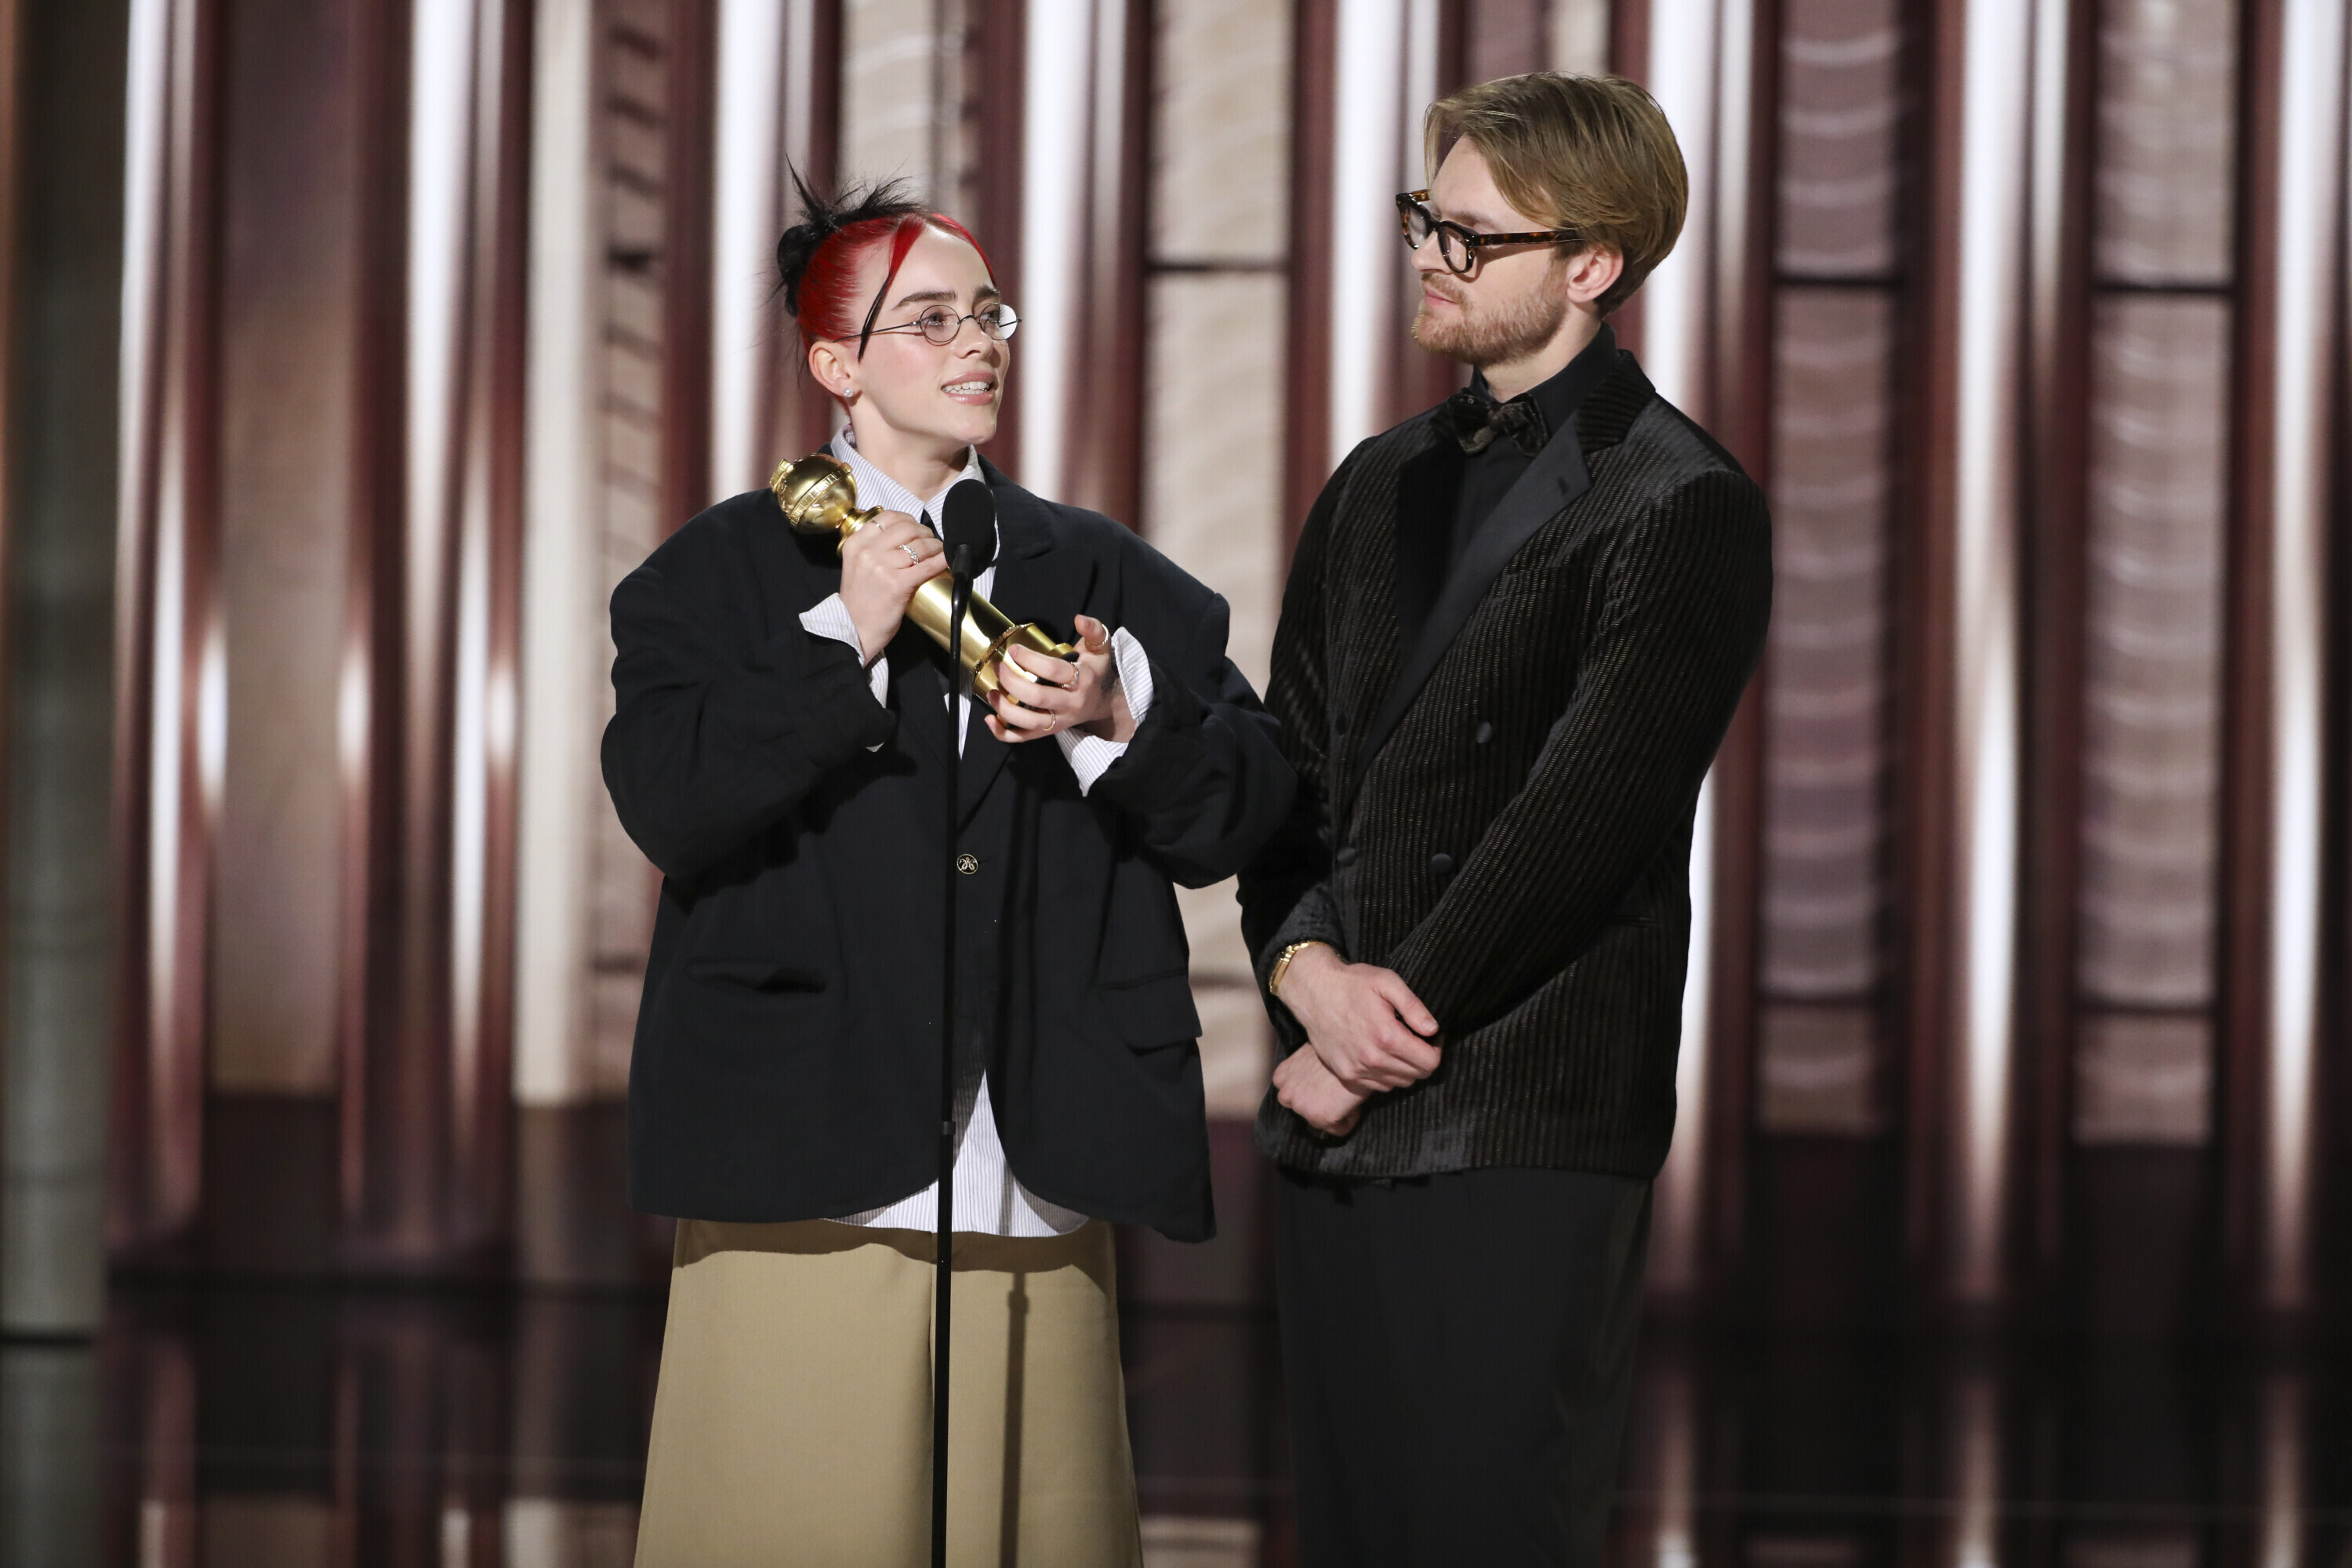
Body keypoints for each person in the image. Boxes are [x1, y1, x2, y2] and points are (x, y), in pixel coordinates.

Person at [608, 177, 1294, 1566]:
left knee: (1027, 1526)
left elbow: (1246, 811)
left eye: (988, 312)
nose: (977, 341)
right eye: (929, 319)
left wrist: (1118, 721)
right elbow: (670, 802)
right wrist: (838, 641)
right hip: (800, 1129)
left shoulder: (1098, 569)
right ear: (837, 366)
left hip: (1033, 1135)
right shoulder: (718, 574)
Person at [1239, 73, 1773, 1568]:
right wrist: (1301, 977)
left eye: (1468, 234)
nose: (1428, 254)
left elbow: (1578, 825)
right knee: (1350, 1532)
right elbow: (1289, 776)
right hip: (1333, 1083)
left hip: (1524, 1096)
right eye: (1425, 219)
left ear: (1590, 265)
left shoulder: (1681, 500)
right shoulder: (1375, 481)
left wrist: (1369, 1033)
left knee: (1491, 1531)